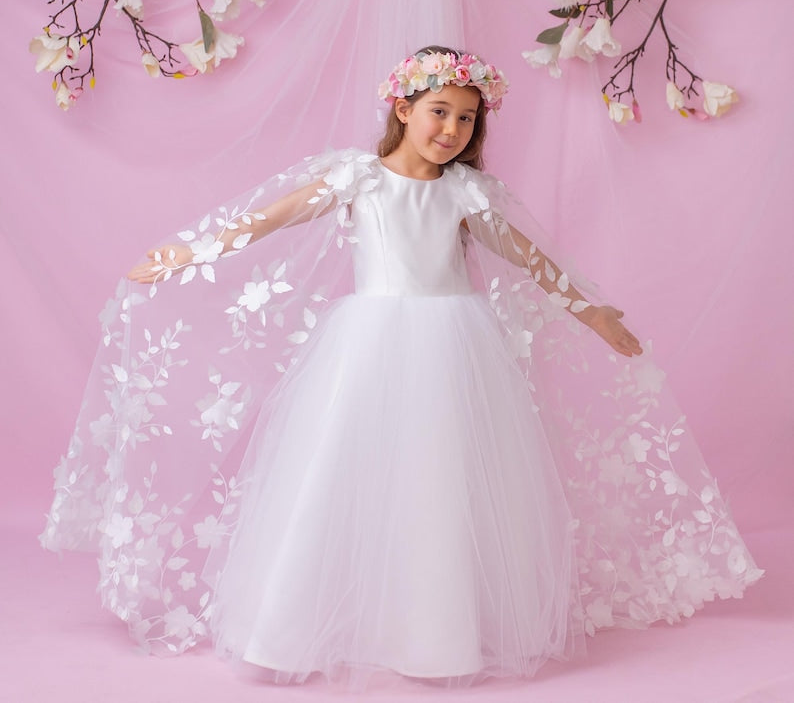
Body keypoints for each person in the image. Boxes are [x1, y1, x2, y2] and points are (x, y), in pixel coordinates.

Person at [42, 46, 762, 687]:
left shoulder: (465, 193)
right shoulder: (360, 179)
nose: (452, 129)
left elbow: (531, 259)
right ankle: (288, 629)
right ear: (403, 108)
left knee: (442, 481)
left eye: (467, 119)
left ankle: (437, 638)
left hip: (456, 347)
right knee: (338, 473)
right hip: (370, 344)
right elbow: (269, 218)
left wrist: (593, 311)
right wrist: (188, 253)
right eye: (439, 111)